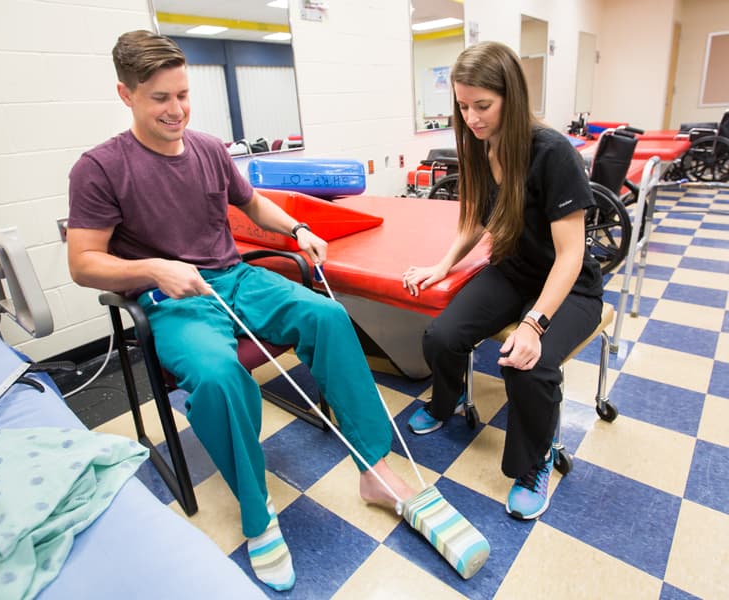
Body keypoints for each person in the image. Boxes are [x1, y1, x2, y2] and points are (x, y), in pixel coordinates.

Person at [67, 30, 488, 591]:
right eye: (160, 99)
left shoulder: (210, 149)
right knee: (219, 377)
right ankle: (256, 509)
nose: (177, 110)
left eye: (184, 95)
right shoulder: (99, 167)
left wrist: (296, 228)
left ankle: (375, 468)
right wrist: (154, 269)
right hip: (173, 299)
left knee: (329, 318)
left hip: (237, 277)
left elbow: (250, 203)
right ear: (126, 95)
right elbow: (84, 262)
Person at [402, 41, 603, 521]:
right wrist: (443, 265)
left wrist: (534, 324)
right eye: (463, 106)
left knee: (526, 366)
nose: (471, 117)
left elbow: (572, 254)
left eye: (483, 106)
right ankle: (446, 402)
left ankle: (534, 463)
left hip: (569, 284)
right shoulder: (477, 143)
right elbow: (477, 217)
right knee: (441, 336)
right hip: (513, 271)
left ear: (511, 96)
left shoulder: (551, 152)